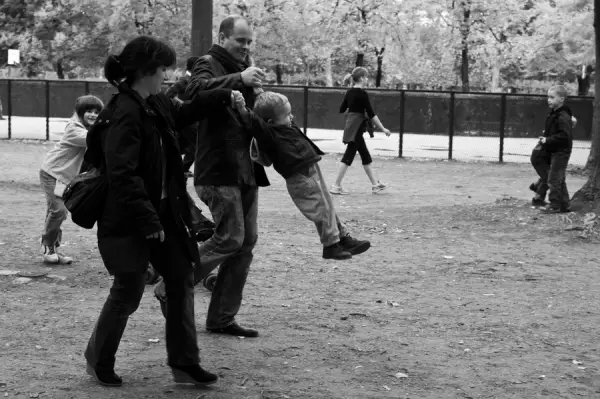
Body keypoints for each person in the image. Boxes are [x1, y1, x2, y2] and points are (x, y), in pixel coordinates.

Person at [83, 35, 239, 387]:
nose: (167, 76)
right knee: (128, 289)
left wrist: (224, 93)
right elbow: (123, 174)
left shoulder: (155, 103)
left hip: (165, 215)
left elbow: (183, 112)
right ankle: (98, 358)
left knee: (181, 279)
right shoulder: (123, 112)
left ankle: (185, 365)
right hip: (129, 221)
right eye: (163, 70)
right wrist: (148, 220)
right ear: (145, 72)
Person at [154, 15, 269, 338]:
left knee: (245, 243)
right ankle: (171, 284)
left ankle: (221, 317)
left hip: (245, 169)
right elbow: (195, 89)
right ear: (223, 38)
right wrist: (240, 78)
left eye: (249, 42)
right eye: (239, 41)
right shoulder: (208, 63)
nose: (245, 47)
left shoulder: (243, 71)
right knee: (231, 237)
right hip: (217, 169)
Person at [235, 91, 372, 260]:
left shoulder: (285, 125)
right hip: (298, 176)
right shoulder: (269, 134)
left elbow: (268, 109)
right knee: (321, 209)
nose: (291, 117)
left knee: (328, 205)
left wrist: (259, 92)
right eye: (286, 115)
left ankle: (342, 238)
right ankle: (331, 245)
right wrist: (242, 109)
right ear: (270, 122)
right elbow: (256, 122)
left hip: (311, 168)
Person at [39, 95, 104, 264]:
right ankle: (47, 246)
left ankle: (53, 248)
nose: (93, 115)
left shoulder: (87, 127)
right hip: (53, 173)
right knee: (58, 211)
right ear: (80, 112)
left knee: (56, 212)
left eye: (97, 112)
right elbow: (93, 138)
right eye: (89, 111)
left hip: (66, 178)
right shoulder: (74, 129)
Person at [330, 67, 391, 195]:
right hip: (356, 128)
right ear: (362, 78)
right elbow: (372, 114)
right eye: (367, 77)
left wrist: (353, 110)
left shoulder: (349, 92)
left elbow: (342, 109)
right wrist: (383, 128)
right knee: (348, 156)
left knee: (365, 156)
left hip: (352, 127)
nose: (367, 79)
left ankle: (375, 185)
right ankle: (336, 186)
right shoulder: (362, 94)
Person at [531, 85, 574, 214]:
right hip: (556, 151)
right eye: (548, 97)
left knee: (553, 179)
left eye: (552, 97)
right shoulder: (555, 114)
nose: (548, 100)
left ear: (561, 99)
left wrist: (547, 140)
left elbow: (564, 135)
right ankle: (565, 205)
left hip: (561, 152)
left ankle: (555, 204)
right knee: (558, 178)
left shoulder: (562, 116)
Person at [530, 113, 577, 208]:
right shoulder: (556, 132)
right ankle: (537, 198)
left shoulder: (556, 132)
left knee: (548, 178)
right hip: (539, 158)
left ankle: (537, 191)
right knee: (549, 179)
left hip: (541, 157)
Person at [165, 56, 200, 175]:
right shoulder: (185, 79)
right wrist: (182, 103)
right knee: (197, 143)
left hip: (190, 118)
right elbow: (169, 93)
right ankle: (183, 169)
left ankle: (173, 166)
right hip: (186, 119)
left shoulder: (195, 80)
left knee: (182, 145)